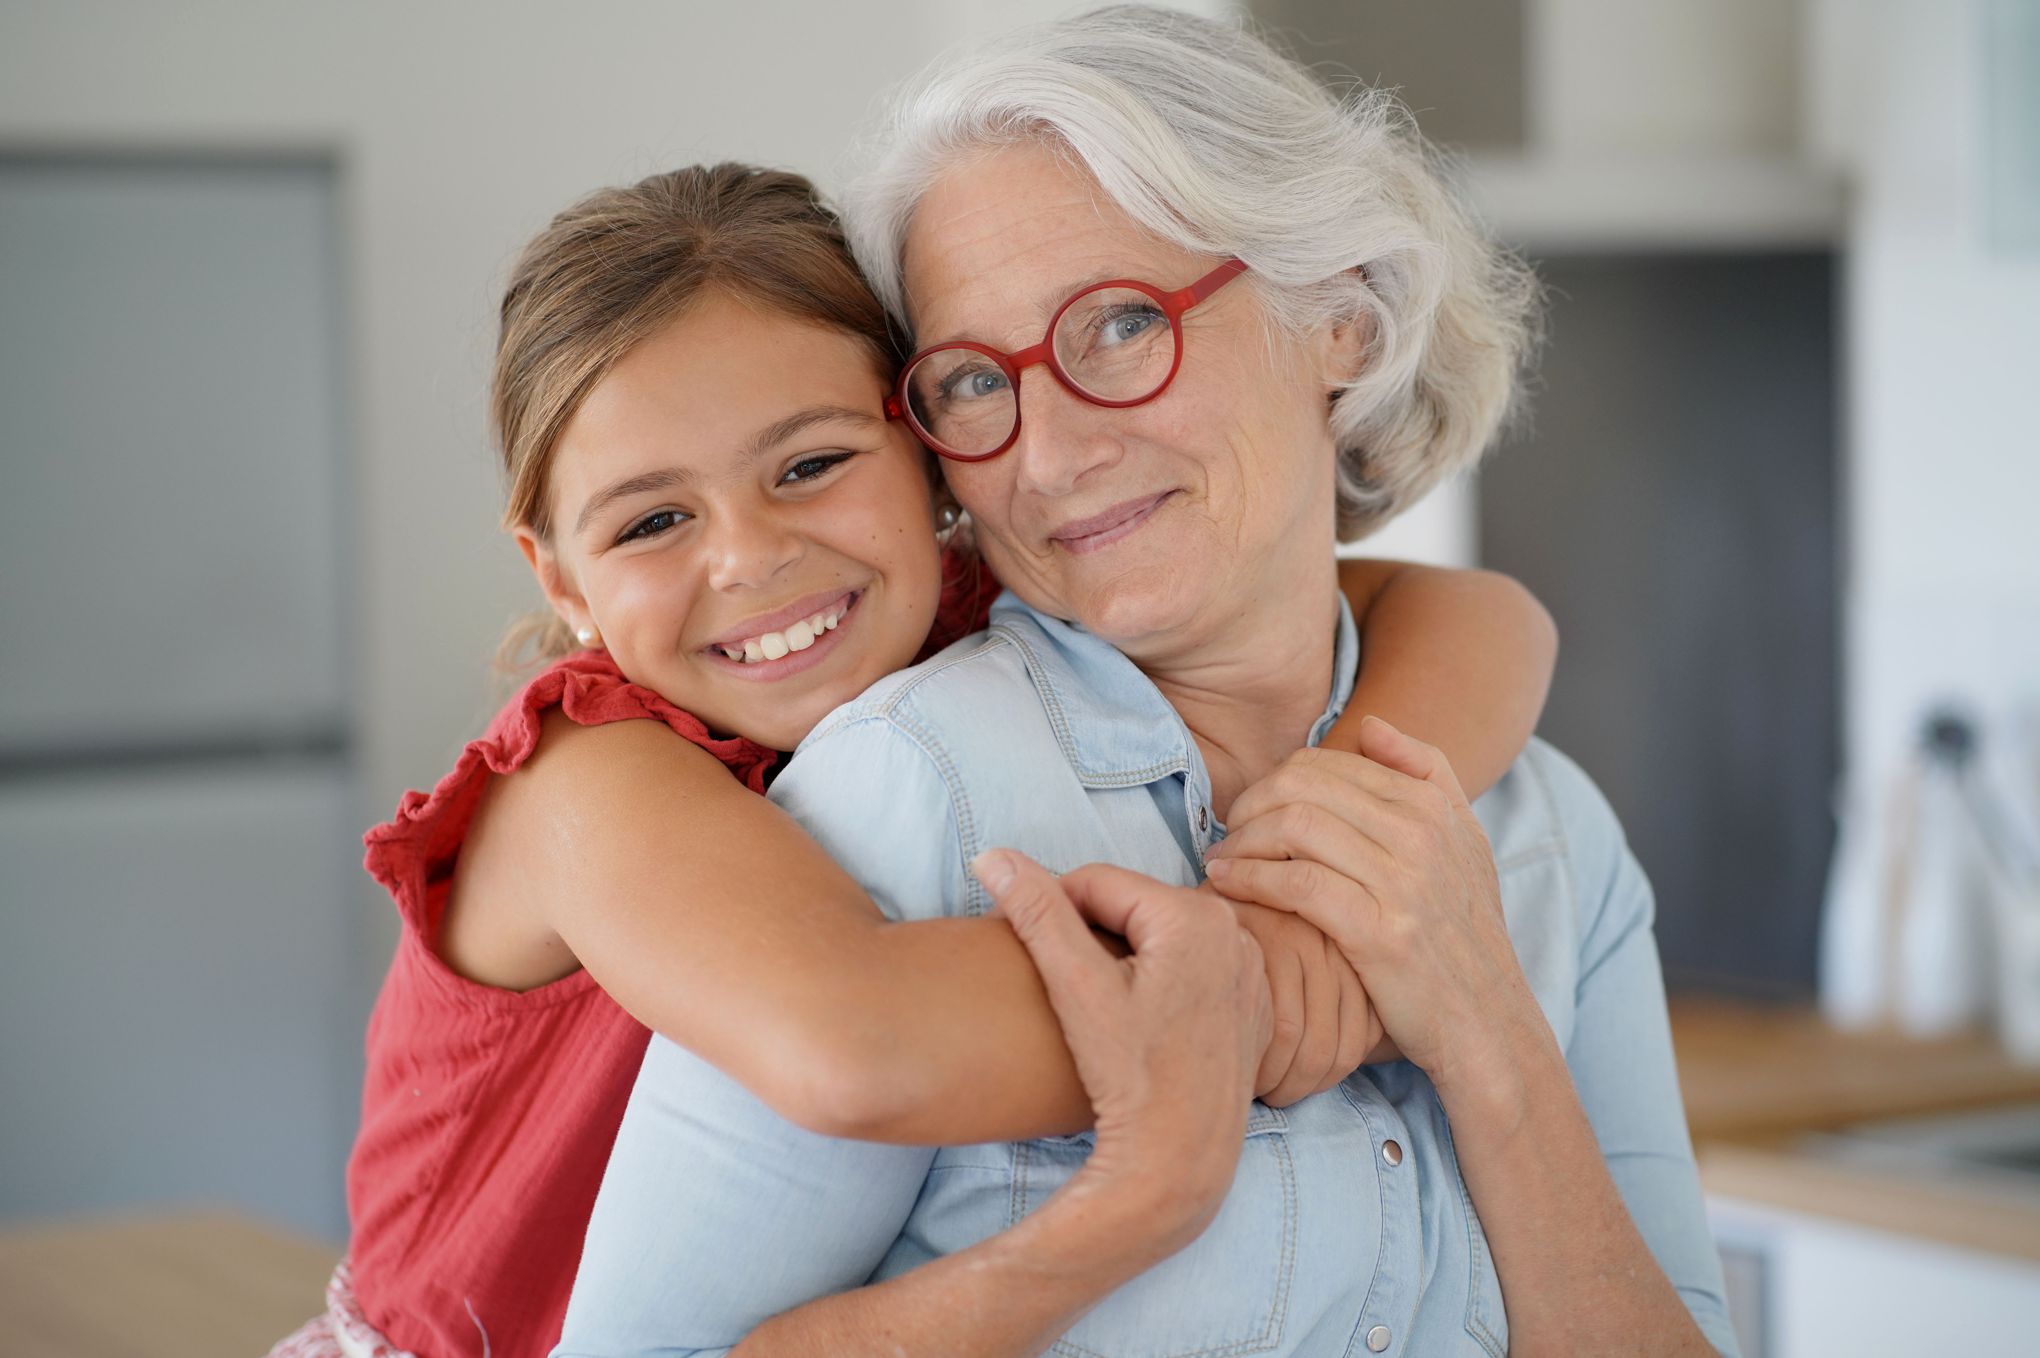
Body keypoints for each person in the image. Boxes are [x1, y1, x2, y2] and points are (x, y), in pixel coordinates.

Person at [559, 7, 1740, 1357]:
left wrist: (1490, 1039)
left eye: (1119, 324)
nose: (1051, 452)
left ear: (1340, 315)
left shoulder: (1554, 838)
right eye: (972, 378)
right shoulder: (913, 792)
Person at [268, 153, 1559, 1357]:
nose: (751, 556)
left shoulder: (970, 623)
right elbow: (857, 1045)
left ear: (931, 455)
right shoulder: (582, 781)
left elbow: (1478, 614)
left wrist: (1340, 875)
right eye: (653, 519)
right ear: (560, 576)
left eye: (812, 463)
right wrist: (1297, 977)